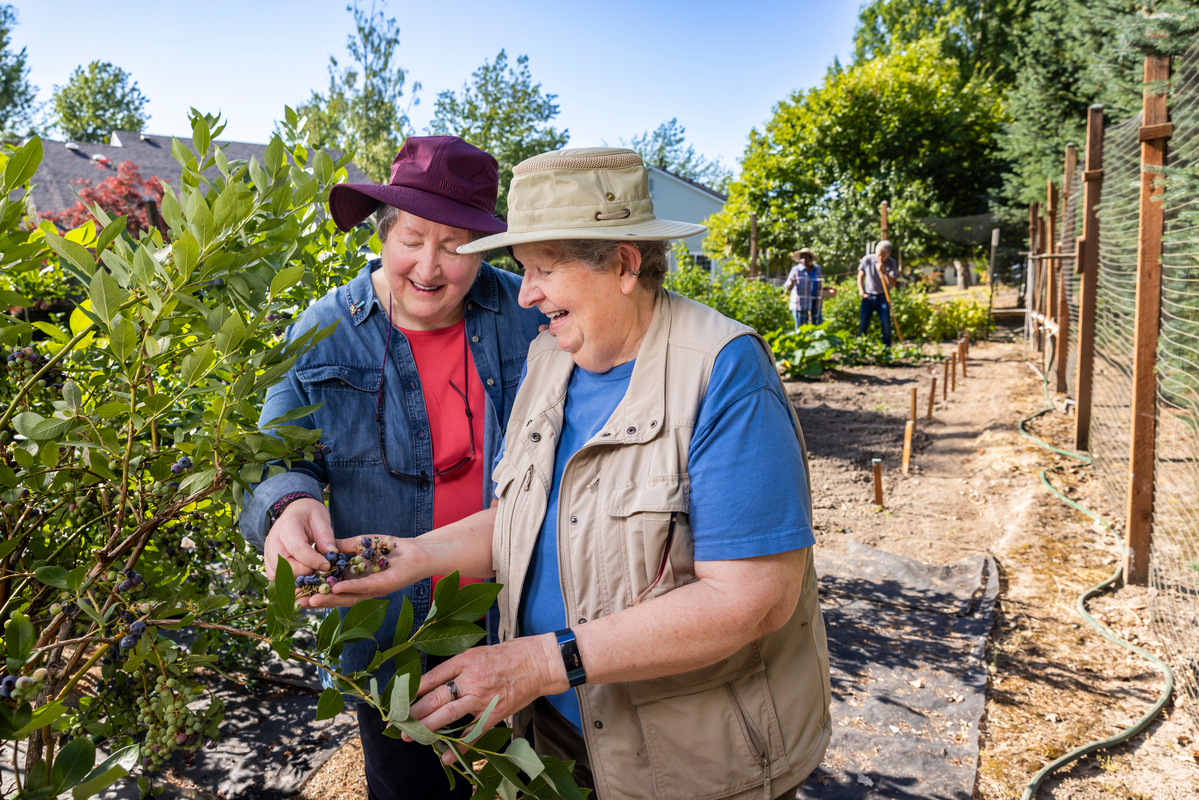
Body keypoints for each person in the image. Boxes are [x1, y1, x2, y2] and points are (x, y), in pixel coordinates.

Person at [309, 147, 832, 800]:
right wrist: (415, 554)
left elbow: (749, 599)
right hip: (560, 736)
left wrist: (538, 662)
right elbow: (520, 515)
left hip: (690, 760)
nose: (525, 294)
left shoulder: (721, 374)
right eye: (522, 270)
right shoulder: (550, 358)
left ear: (621, 263)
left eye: (543, 269)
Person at [239, 136, 547, 800]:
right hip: (388, 633)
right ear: (382, 233)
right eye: (413, 238)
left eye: (456, 244)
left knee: (523, 778)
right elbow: (268, 455)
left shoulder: (531, 318)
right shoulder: (322, 330)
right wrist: (288, 504)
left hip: (519, 616)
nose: (430, 267)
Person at [857, 240, 899, 347]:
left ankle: (886, 350)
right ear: (875, 252)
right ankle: (861, 348)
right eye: (879, 255)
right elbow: (860, 276)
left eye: (883, 256)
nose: (880, 258)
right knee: (863, 324)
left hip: (883, 297)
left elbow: (893, 283)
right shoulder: (867, 259)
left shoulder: (891, 262)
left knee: (886, 325)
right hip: (868, 296)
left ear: (888, 254)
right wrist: (862, 292)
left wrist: (885, 271)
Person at [784, 247, 825, 327]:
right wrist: (791, 283)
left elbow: (819, 283)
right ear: (799, 259)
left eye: (806, 257)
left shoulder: (817, 269)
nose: (804, 259)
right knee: (801, 327)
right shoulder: (796, 269)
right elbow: (787, 285)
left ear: (810, 259)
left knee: (817, 324)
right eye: (802, 257)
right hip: (801, 302)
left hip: (815, 300)